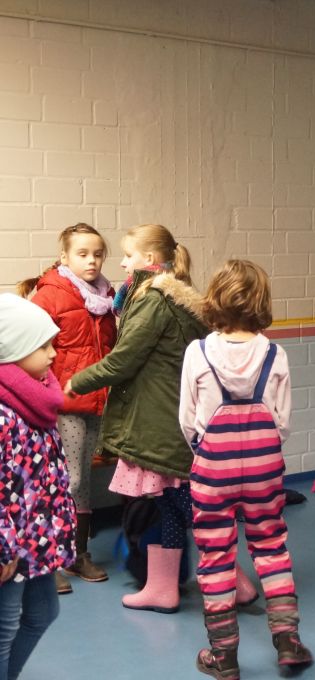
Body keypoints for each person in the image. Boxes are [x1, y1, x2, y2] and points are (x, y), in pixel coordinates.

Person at [64, 224, 207, 614]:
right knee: (169, 506)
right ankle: (163, 588)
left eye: (128, 255)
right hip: (164, 417)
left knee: (188, 507)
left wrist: (77, 381)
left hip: (156, 421)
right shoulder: (168, 295)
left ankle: (233, 580)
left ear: (149, 259)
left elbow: (123, 361)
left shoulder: (154, 299)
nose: (123, 263)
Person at [180, 260, 312, 678]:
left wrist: (204, 450)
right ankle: (288, 641)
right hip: (264, 466)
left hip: (212, 468)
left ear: (215, 298)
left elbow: (187, 419)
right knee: (271, 546)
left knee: (216, 554)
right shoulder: (275, 353)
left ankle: (224, 656)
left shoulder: (198, 351)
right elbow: (283, 421)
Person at [17, 223, 116, 594]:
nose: (92, 261)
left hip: (94, 400)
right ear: (64, 257)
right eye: (82, 254)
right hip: (62, 404)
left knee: (82, 478)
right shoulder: (50, 295)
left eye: (98, 254)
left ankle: (77, 554)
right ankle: (49, 559)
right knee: (66, 479)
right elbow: (29, 350)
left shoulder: (106, 297)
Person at [0, 294, 76, 680]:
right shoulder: (4, 414)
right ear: (14, 351)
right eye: (42, 345)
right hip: (9, 548)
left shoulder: (35, 399)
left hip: (37, 538)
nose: (53, 354)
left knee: (44, 613)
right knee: (4, 629)